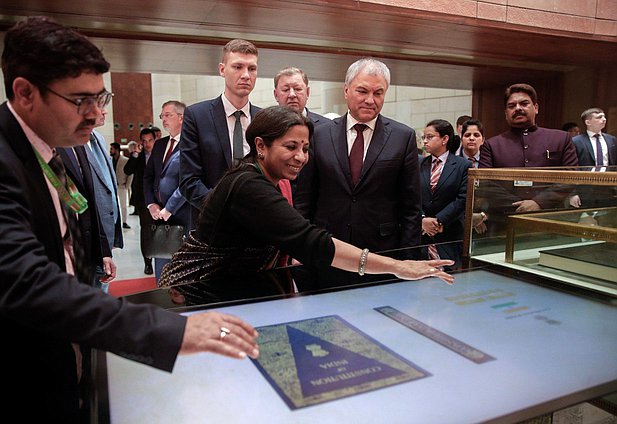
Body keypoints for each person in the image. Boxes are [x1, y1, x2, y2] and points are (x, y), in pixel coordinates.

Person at [0, 17, 260, 421]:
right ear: (24, 93)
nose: (95, 115)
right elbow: (26, 283)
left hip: (72, 346)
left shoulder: (50, 146)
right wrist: (174, 331)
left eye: (100, 98)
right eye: (79, 101)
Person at [159, 106, 453, 304]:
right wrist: (397, 266)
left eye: (306, 148)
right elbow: (312, 241)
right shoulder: (249, 186)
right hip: (195, 293)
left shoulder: (258, 177)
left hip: (230, 289)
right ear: (261, 146)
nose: (301, 157)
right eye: (291, 147)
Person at [294, 58, 422, 288]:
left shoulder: (403, 137)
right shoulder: (319, 135)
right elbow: (304, 199)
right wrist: (301, 250)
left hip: (382, 255)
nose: (370, 100)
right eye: (362, 91)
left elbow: (411, 208)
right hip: (327, 251)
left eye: (378, 93)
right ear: (346, 90)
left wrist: (408, 261)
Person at [180, 39, 261, 228]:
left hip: (256, 225)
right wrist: (224, 210)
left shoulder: (263, 118)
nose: (246, 75)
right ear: (222, 70)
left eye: (252, 68)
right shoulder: (197, 116)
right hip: (210, 225)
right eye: (238, 67)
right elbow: (189, 181)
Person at [479, 83, 579, 212]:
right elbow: (485, 183)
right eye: (512, 106)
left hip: (549, 215)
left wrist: (539, 202)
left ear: (536, 108)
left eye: (524, 103)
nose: (518, 108)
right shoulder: (492, 145)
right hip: (505, 217)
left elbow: (570, 177)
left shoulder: (561, 138)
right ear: (506, 113)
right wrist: (518, 206)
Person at [144, 100, 193, 280]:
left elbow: (189, 181)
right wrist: (151, 205)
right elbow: (148, 177)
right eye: (161, 116)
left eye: (167, 115)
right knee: (162, 268)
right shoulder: (159, 145)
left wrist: (169, 208)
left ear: (181, 118)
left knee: (182, 270)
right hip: (159, 217)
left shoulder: (191, 144)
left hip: (182, 214)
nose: (163, 119)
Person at [419, 120, 471, 265]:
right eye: (424, 137)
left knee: (449, 277)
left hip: (449, 231)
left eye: (429, 137)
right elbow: (410, 195)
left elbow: (462, 198)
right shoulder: (419, 164)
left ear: (444, 139)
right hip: (422, 234)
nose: (425, 141)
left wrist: (438, 220)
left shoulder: (462, 165)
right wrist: (422, 219)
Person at [569, 107, 617, 209]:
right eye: (599, 117)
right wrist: (572, 194)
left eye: (604, 117)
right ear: (588, 122)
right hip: (585, 188)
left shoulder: (611, 140)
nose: (604, 119)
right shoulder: (576, 141)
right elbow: (572, 167)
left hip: (608, 188)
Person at [124, 127, 156, 274]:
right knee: (146, 231)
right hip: (143, 200)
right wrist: (135, 154)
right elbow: (127, 171)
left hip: (161, 198)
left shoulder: (162, 154)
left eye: (150, 140)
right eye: (144, 141)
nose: (148, 144)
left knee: (163, 229)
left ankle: (164, 258)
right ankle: (147, 262)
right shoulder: (139, 156)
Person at [110, 141, 131, 229]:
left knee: (123, 205)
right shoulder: (109, 160)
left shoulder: (125, 160)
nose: (110, 150)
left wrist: (127, 185)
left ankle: (124, 222)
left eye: (112, 149)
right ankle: (114, 222)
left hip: (122, 185)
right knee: (112, 205)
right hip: (112, 186)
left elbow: (130, 173)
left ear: (117, 150)